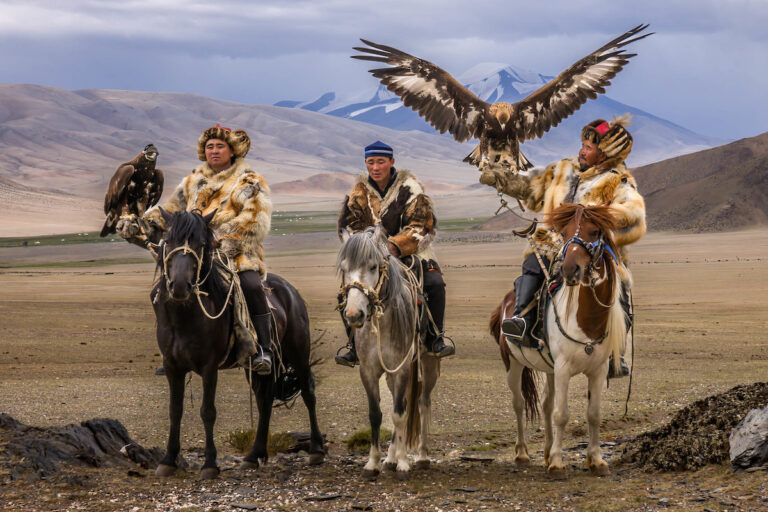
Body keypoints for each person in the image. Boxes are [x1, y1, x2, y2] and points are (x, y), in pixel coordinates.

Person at [117, 125, 275, 375]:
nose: (214, 150)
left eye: (220, 146)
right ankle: (172, 352)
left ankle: (264, 349)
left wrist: (219, 240)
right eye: (209, 146)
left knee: (252, 286)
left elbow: (254, 220)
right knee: (161, 290)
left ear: (232, 150)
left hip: (237, 254)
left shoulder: (249, 181)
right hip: (195, 253)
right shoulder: (192, 182)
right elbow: (169, 211)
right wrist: (142, 223)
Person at [500, 115, 646, 378]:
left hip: (593, 250)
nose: (582, 150)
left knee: (620, 287)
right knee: (532, 264)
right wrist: (503, 180)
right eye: (583, 145)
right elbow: (532, 193)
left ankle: (616, 354)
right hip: (552, 243)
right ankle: (522, 321)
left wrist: (599, 218)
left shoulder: (618, 181)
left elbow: (634, 212)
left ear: (604, 155)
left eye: (589, 148)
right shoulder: (562, 170)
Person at [335, 141, 454, 366]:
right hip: (368, 255)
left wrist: (394, 246)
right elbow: (350, 225)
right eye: (371, 162)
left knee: (434, 282)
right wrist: (363, 245)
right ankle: (353, 344)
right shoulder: (359, 192)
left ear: (391, 162)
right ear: (366, 164)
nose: (376, 167)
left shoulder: (410, 188)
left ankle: (435, 337)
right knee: (347, 291)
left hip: (410, 251)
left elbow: (421, 224)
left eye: (381, 162)